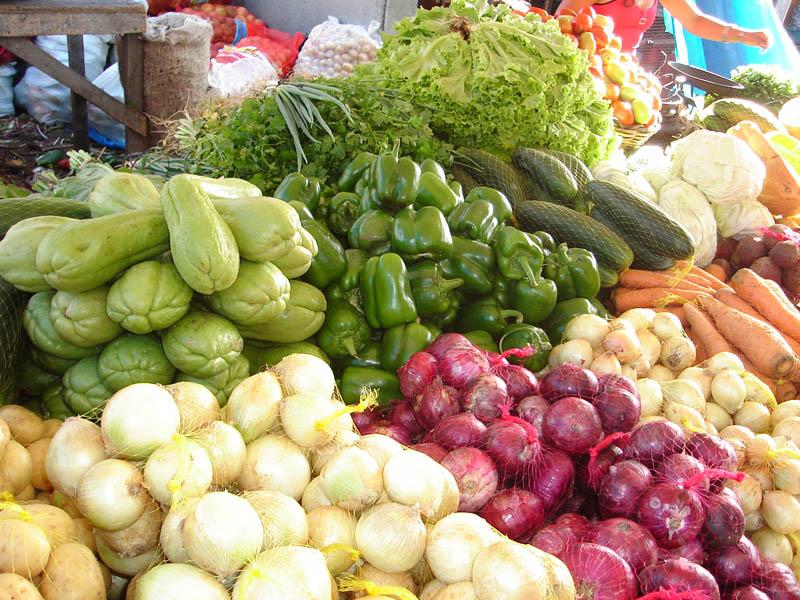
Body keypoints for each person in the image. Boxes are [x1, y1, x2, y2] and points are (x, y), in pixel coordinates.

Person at [556, 0, 772, 53]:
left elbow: (694, 21)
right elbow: (561, 20)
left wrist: (744, 35)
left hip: (620, 74)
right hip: (587, 69)